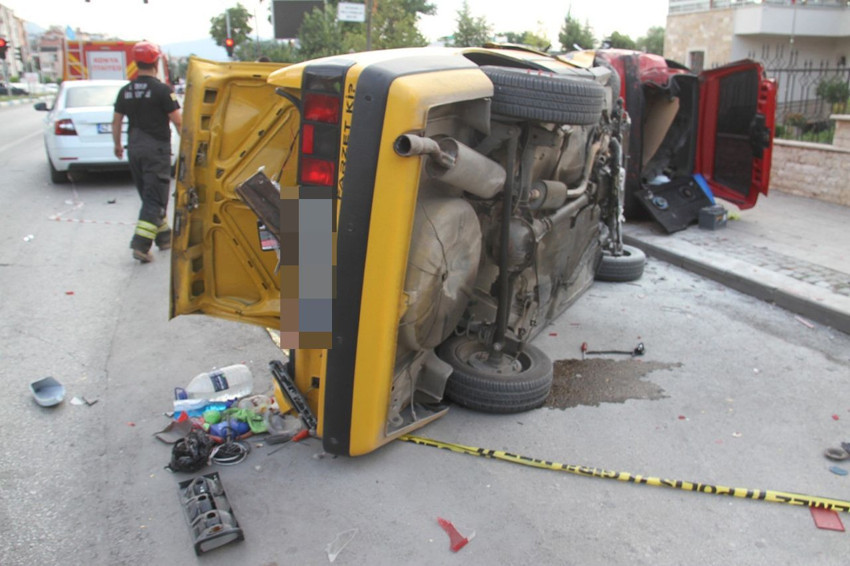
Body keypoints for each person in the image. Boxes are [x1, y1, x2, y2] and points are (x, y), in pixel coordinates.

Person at [112, 40, 182, 263]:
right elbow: (178, 122)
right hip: (156, 150)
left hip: (134, 148)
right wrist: (189, 146)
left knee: (148, 194)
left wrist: (117, 145)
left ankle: (164, 238)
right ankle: (141, 245)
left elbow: (116, 121)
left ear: (136, 62)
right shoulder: (162, 90)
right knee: (156, 197)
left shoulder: (126, 91)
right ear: (156, 61)